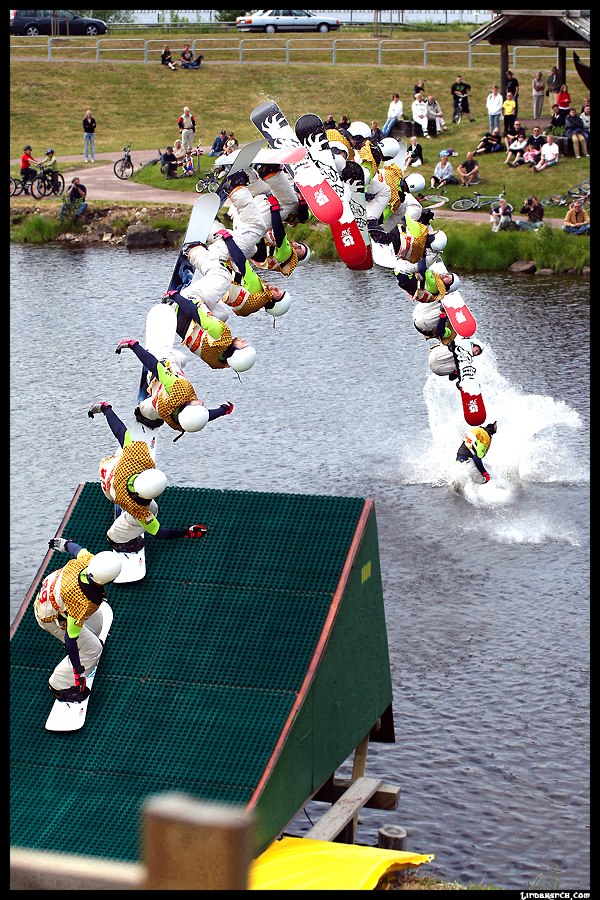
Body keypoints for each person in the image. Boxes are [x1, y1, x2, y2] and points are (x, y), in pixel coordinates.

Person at [88, 401, 209, 548]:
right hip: (109, 489)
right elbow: (158, 532)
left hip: (111, 467)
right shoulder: (136, 507)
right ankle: (117, 538)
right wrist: (186, 532)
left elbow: (120, 431)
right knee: (151, 510)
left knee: (127, 445)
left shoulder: (135, 457)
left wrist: (105, 409)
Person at [34, 536, 122, 702]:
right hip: (51, 618)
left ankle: (84, 649)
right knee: (94, 650)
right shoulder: (81, 603)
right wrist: (77, 671)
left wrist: (64, 544)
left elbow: (76, 549)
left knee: (98, 620)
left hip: (52, 601)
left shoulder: (88, 562)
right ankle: (59, 685)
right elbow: (70, 638)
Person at [115, 338, 234, 436]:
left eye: (199, 404)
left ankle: (143, 408)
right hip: (156, 404)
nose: (201, 402)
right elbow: (205, 416)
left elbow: (153, 365)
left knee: (180, 358)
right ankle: (144, 414)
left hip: (162, 368)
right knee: (147, 410)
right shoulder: (181, 423)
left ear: (189, 407)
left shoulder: (178, 389)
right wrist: (223, 409)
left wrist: (133, 345)